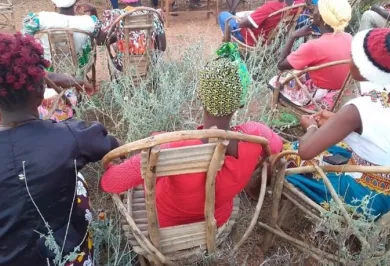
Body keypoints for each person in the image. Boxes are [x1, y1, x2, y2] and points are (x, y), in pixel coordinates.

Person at [100, 43, 283, 227]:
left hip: (167, 221)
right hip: (217, 218)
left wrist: (114, 166)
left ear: (200, 96)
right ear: (241, 102)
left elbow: (110, 183)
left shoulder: (169, 146)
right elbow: (277, 147)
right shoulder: (257, 135)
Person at [0, 32, 119, 266]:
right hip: (65, 256)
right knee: (78, 178)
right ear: (40, 92)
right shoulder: (70, 136)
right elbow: (111, 146)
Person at [284, 28, 390, 217]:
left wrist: (311, 126)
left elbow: (306, 151)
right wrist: (338, 121)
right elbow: (383, 134)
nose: (348, 59)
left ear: (363, 66)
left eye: (352, 56)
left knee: (289, 153)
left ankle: (258, 190)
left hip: (363, 199)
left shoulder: (359, 108)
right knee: (335, 147)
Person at [272, 0, 352, 110]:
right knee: (302, 73)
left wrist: (293, 36)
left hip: (318, 98)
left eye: (316, 9)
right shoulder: (349, 37)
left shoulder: (313, 46)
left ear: (320, 17)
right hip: (343, 94)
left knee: (275, 81)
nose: (313, 11)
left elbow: (281, 65)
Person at [81, 0, 166, 71]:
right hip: (150, 65)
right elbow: (162, 46)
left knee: (115, 49)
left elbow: (100, 41)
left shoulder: (115, 14)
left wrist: (94, 12)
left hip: (124, 67)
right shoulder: (154, 14)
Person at [218, 0, 305, 47]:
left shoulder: (272, 6)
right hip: (275, 38)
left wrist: (244, 18)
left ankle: (229, 48)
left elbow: (242, 24)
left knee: (223, 15)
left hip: (253, 38)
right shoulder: (300, 2)